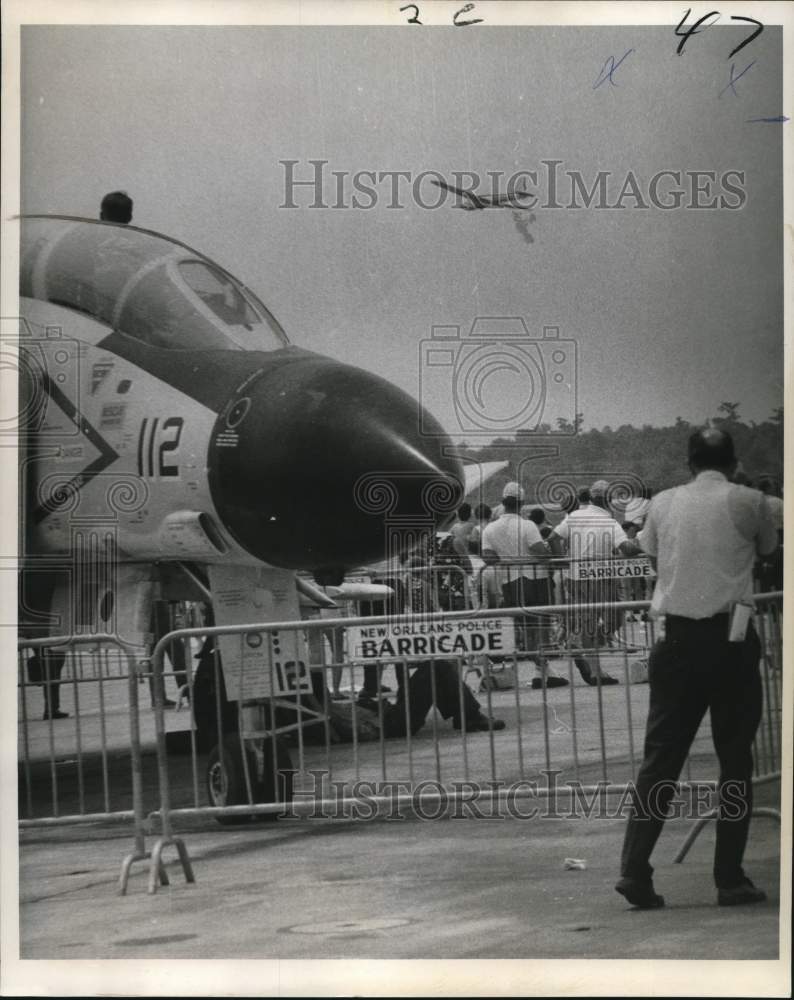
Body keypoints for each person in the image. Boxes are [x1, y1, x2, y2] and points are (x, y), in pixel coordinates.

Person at [616, 429, 777, 909]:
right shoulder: (750, 499)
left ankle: (634, 870)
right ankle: (729, 877)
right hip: (730, 639)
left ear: (688, 463)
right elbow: (767, 548)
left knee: (659, 761)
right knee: (735, 761)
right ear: (731, 462)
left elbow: (651, 551)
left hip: (676, 641)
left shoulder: (662, 502)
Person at [549, 482, 639, 685]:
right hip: (600, 578)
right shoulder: (610, 522)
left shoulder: (574, 516)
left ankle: (581, 644)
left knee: (592, 621)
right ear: (608, 500)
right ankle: (595, 670)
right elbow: (627, 549)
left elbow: (553, 537)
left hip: (576, 577)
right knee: (614, 618)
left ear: (590, 497)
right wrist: (644, 547)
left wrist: (561, 561)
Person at [482, 482, 567, 689]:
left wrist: (507, 558)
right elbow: (539, 551)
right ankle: (543, 671)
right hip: (534, 579)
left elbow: (487, 556)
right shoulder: (527, 525)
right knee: (542, 627)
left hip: (509, 581)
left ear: (503, 502)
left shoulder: (490, 529)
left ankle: (542, 671)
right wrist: (548, 555)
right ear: (521, 504)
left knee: (526, 627)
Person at [27, 648, 68, 720]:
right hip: (47, 650)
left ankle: (53, 709)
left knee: (54, 679)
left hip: (53, 650)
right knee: (51, 679)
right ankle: (51, 710)